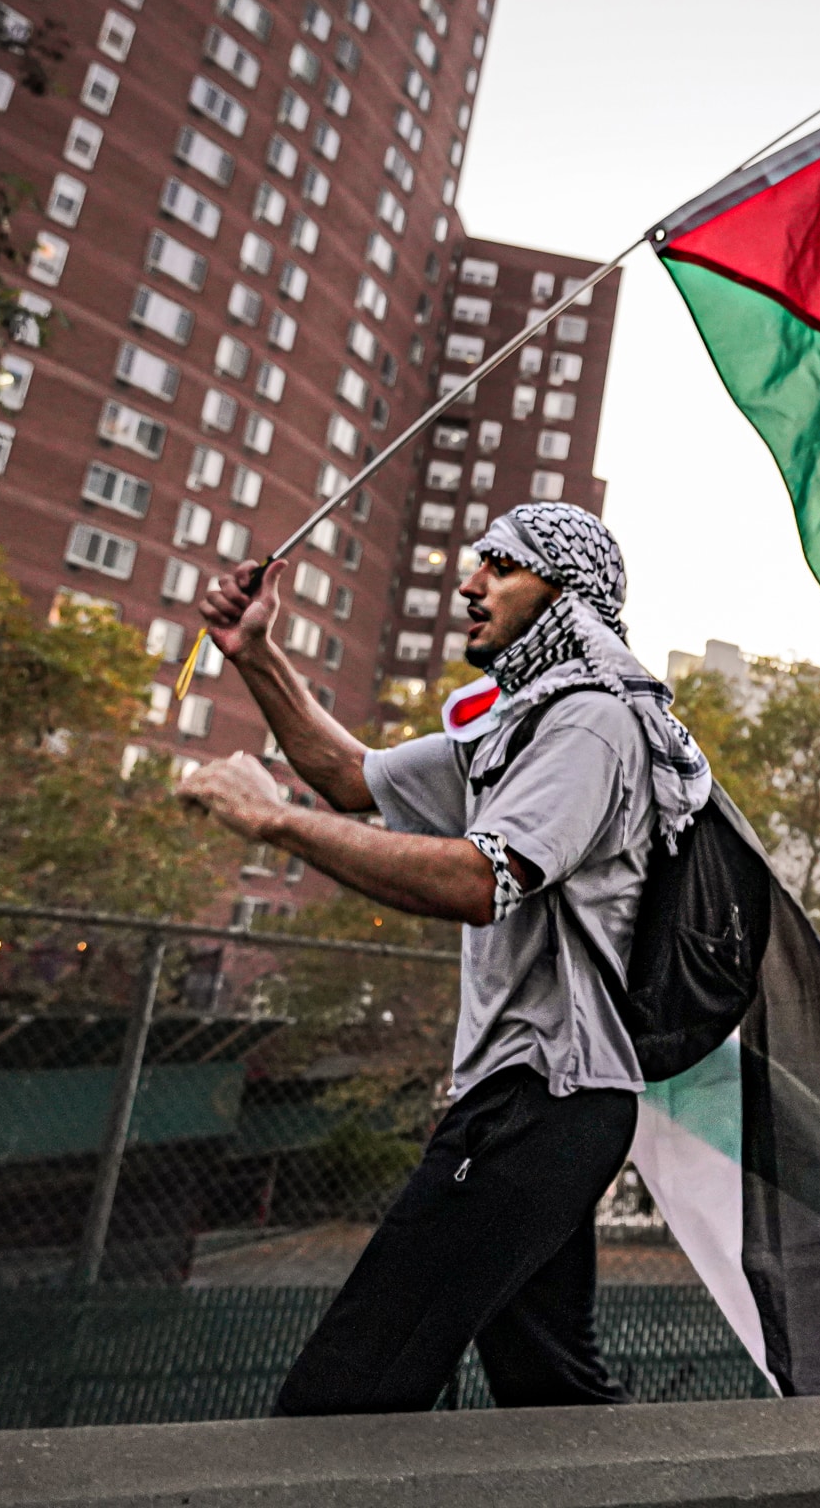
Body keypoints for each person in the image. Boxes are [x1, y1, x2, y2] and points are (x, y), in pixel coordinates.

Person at [177, 502, 710, 1415]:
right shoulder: (522, 726)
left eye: (500, 565)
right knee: (555, 1401)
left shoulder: (590, 726)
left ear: (567, 593)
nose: (469, 584)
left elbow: (480, 877)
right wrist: (257, 653)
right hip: (540, 1109)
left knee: (344, 1400)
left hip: (541, 1105)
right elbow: (354, 778)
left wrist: (271, 820)